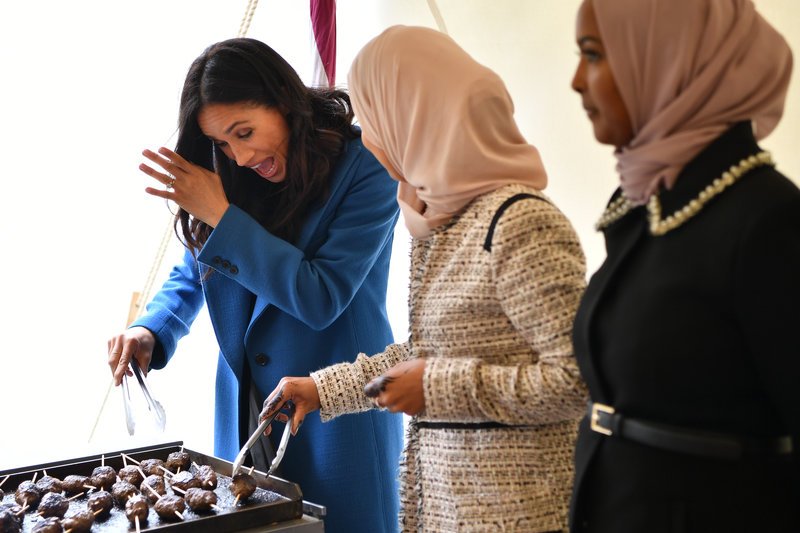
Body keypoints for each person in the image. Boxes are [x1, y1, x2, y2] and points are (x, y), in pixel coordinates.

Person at [259, 25, 588, 532]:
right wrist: (323, 389)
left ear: (415, 118)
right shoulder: (436, 221)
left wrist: (436, 388)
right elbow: (428, 350)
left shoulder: (521, 223)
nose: (368, 140)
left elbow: (577, 381)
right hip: (445, 509)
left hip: (517, 514)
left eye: (372, 119)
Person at [106, 38, 404, 533]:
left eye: (244, 132)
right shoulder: (232, 170)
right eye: (222, 144)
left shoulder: (368, 165)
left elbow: (321, 295)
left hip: (337, 418)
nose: (239, 156)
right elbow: (199, 265)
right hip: (244, 414)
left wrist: (221, 215)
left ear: (284, 101)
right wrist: (151, 330)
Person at [568, 1, 799, 531]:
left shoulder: (767, 220)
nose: (578, 81)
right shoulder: (646, 208)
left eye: (595, 54)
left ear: (671, 60)